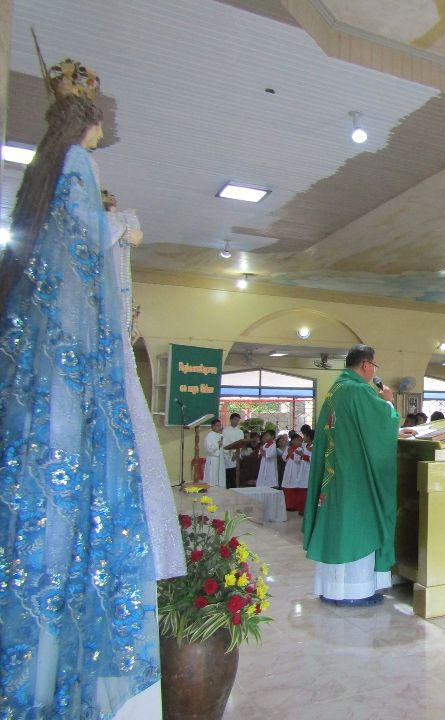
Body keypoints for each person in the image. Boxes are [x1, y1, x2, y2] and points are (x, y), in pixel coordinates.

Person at [0, 60, 180, 718]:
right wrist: (117, 230)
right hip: (77, 369)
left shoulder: (47, 176)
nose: (106, 129)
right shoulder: (77, 168)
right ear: (90, 121)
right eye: (102, 116)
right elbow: (76, 260)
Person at [303, 344, 408, 606]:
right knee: (359, 527)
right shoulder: (359, 390)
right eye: (374, 365)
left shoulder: (336, 389)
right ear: (365, 365)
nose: (374, 370)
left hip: (338, 475)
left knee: (338, 528)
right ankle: (355, 591)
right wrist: (388, 403)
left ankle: (333, 589)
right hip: (355, 479)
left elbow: (357, 431)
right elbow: (381, 423)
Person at [222, 412, 245, 488]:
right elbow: (225, 443)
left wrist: (237, 453)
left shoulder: (240, 431)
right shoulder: (225, 431)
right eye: (235, 420)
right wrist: (232, 453)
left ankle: (236, 488)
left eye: (238, 420)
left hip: (237, 455)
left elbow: (241, 443)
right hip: (229, 456)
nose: (236, 422)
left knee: (236, 474)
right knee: (229, 474)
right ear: (231, 420)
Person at [204, 418, 227, 487]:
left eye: (220, 425)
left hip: (220, 459)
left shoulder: (221, 436)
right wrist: (217, 445)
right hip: (213, 459)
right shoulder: (209, 436)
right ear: (212, 426)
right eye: (217, 425)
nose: (219, 427)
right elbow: (209, 449)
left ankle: (220, 490)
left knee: (220, 477)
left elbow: (225, 446)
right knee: (212, 477)